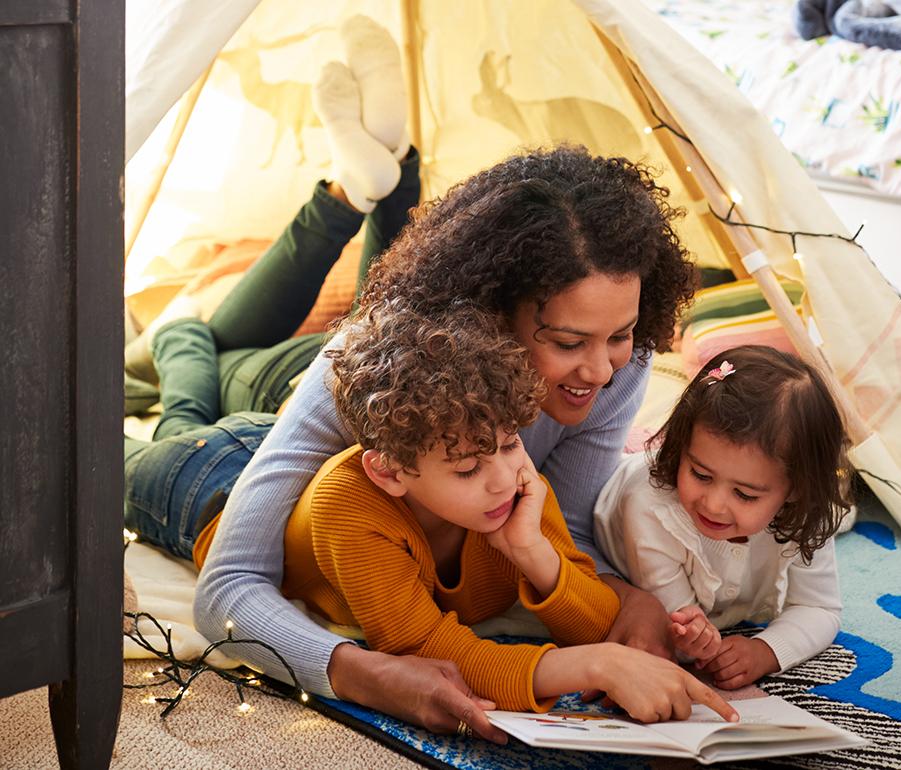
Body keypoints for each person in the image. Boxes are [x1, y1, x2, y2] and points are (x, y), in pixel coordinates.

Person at [185, 16, 698, 737]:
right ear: (492, 313)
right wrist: (362, 672)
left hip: (387, 452)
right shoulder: (367, 368)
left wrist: (622, 600)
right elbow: (227, 591)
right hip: (237, 442)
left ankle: (382, 177)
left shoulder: (619, 362)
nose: (603, 369)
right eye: (568, 341)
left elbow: (559, 538)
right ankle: (321, 217)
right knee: (205, 365)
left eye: (620, 336)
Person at [184, 304, 736, 722]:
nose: (503, 477)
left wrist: (533, 552)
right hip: (209, 482)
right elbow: (423, 649)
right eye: (468, 469)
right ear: (390, 471)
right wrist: (593, 667)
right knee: (159, 432)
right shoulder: (351, 505)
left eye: (510, 443)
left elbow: (597, 622)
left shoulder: (518, 489)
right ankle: (181, 335)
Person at [594, 345, 852, 690]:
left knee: (838, 513)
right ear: (681, 448)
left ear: (796, 489)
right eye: (700, 474)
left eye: (744, 494)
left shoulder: (808, 512)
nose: (714, 505)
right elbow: (676, 632)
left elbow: (821, 608)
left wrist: (766, 650)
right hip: (617, 490)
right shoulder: (649, 509)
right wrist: (693, 636)